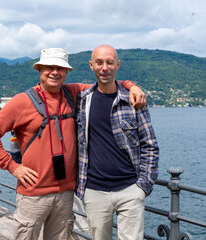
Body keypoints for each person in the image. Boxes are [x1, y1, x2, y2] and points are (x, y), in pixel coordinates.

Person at [0, 48, 146, 240]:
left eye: (60, 68)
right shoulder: (21, 102)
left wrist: (131, 86)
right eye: (49, 67)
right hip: (33, 192)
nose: (55, 72)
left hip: (66, 193)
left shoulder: (72, 93)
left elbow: (105, 81)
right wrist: (13, 167)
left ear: (66, 72)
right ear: (39, 69)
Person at [75, 44, 159, 240]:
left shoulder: (133, 101)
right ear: (91, 65)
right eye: (99, 62)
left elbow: (150, 144)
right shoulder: (82, 100)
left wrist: (144, 185)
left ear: (117, 65)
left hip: (130, 189)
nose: (105, 67)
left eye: (110, 62)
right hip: (94, 190)